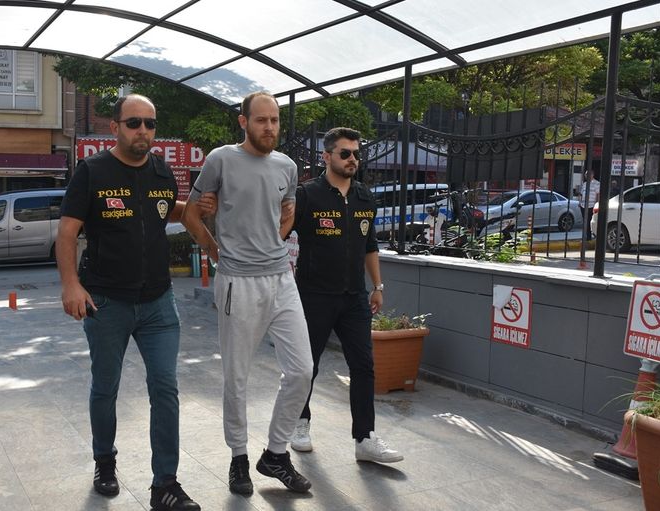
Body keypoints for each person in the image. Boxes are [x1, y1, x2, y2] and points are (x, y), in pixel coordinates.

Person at [56, 94, 213, 511]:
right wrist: (71, 285)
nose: (143, 130)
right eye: (134, 123)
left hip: (159, 302)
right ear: (115, 127)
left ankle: (165, 484)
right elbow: (67, 232)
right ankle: (104, 462)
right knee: (105, 387)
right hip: (107, 301)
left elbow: (164, 210)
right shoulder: (92, 172)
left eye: (150, 123)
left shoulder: (162, 171)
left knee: (165, 388)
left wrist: (198, 212)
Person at [181, 91, 314, 496]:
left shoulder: (287, 166)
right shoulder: (221, 159)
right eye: (261, 120)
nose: (270, 127)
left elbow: (287, 212)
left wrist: (276, 237)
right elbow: (190, 213)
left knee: (302, 370)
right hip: (238, 281)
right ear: (243, 122)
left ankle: (275, 454)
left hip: (281, 278)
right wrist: (212, 248)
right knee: (236, 376)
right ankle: (238, 456)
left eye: (274, 120)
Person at [284, 127, 403, 465]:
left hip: (354, 298)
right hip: (314, 296)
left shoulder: (365, 197)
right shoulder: (307, 195)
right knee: (307, 366)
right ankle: (300, 422)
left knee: (363, 365)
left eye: (356, 154)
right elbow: (279, 235)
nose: (353, 159)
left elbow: (370, 245)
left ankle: (365, 438)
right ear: (327, 156)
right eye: (345, 153)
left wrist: (377, 286)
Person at [575, 170, 600, 239]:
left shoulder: (597, 183)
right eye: (586, 175)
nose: (586, 176)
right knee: (585, 221)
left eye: (588, 174)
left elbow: (598, 194)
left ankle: (589, 236)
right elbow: (581, 194)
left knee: (589, 220)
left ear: (592, 175)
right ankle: (586, 236)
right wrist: (579, 202)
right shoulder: (585, 184)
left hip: (591, 205)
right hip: (583, 205)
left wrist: (596, 204)